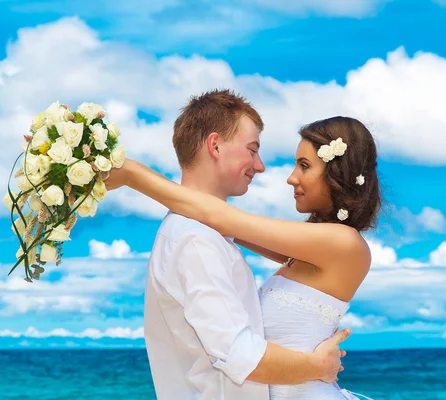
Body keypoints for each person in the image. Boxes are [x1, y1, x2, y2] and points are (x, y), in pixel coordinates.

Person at [107, 111, 380, 399]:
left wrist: (131, 174)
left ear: (336, 173)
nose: (291, 178)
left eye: (304, 166)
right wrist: (315, 366)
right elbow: (222, 223)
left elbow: (220, 217)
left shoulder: (343, 243)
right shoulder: (306, 253)